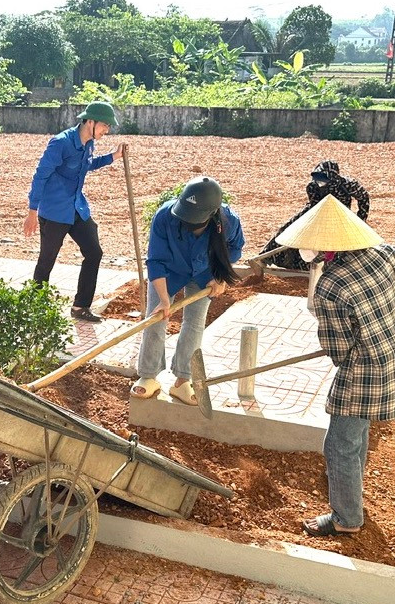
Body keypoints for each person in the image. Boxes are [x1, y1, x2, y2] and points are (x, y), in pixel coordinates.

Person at [273, 197, 395, 536]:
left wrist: (351, 349)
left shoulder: (330, 287)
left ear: (326, 247)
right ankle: (352, 496)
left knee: (339, 444)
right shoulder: (385, 253)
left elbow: (339, 349)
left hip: (367, 374)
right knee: (355, 434)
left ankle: (346, 519)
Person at [131, 176, 244, 405]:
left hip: (204, 272)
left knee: (194, 323)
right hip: (170, 270)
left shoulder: (228, 220)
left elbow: (235, 248)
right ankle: (149, 376)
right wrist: (163, 300)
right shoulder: (165, 216)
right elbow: (155, 260)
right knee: (155, 319)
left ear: (212, 215)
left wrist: (218, 277)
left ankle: (183, 380)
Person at [24, 101, 125, 322]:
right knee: (47, 260)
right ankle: (35, 309)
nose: (106, 130)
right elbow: (40, 175)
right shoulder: (61, 143)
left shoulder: (89, 143)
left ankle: (80, 306)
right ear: (90, 121)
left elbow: (86, 165)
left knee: (94, 252)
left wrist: (113, 157)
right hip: (54, 211)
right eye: (104, 125)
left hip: (77, 208)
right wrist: (32, 211)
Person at [263, 160, 371, 270]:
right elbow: (313, 206)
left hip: (340, 216)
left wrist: (360, 220)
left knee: (342, 244)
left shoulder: (348, 185)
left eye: (323, 177)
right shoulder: (312, 186)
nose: (320, 181)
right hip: (317, 213)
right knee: (289, 229)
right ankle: (266, 258)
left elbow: (364, 197)